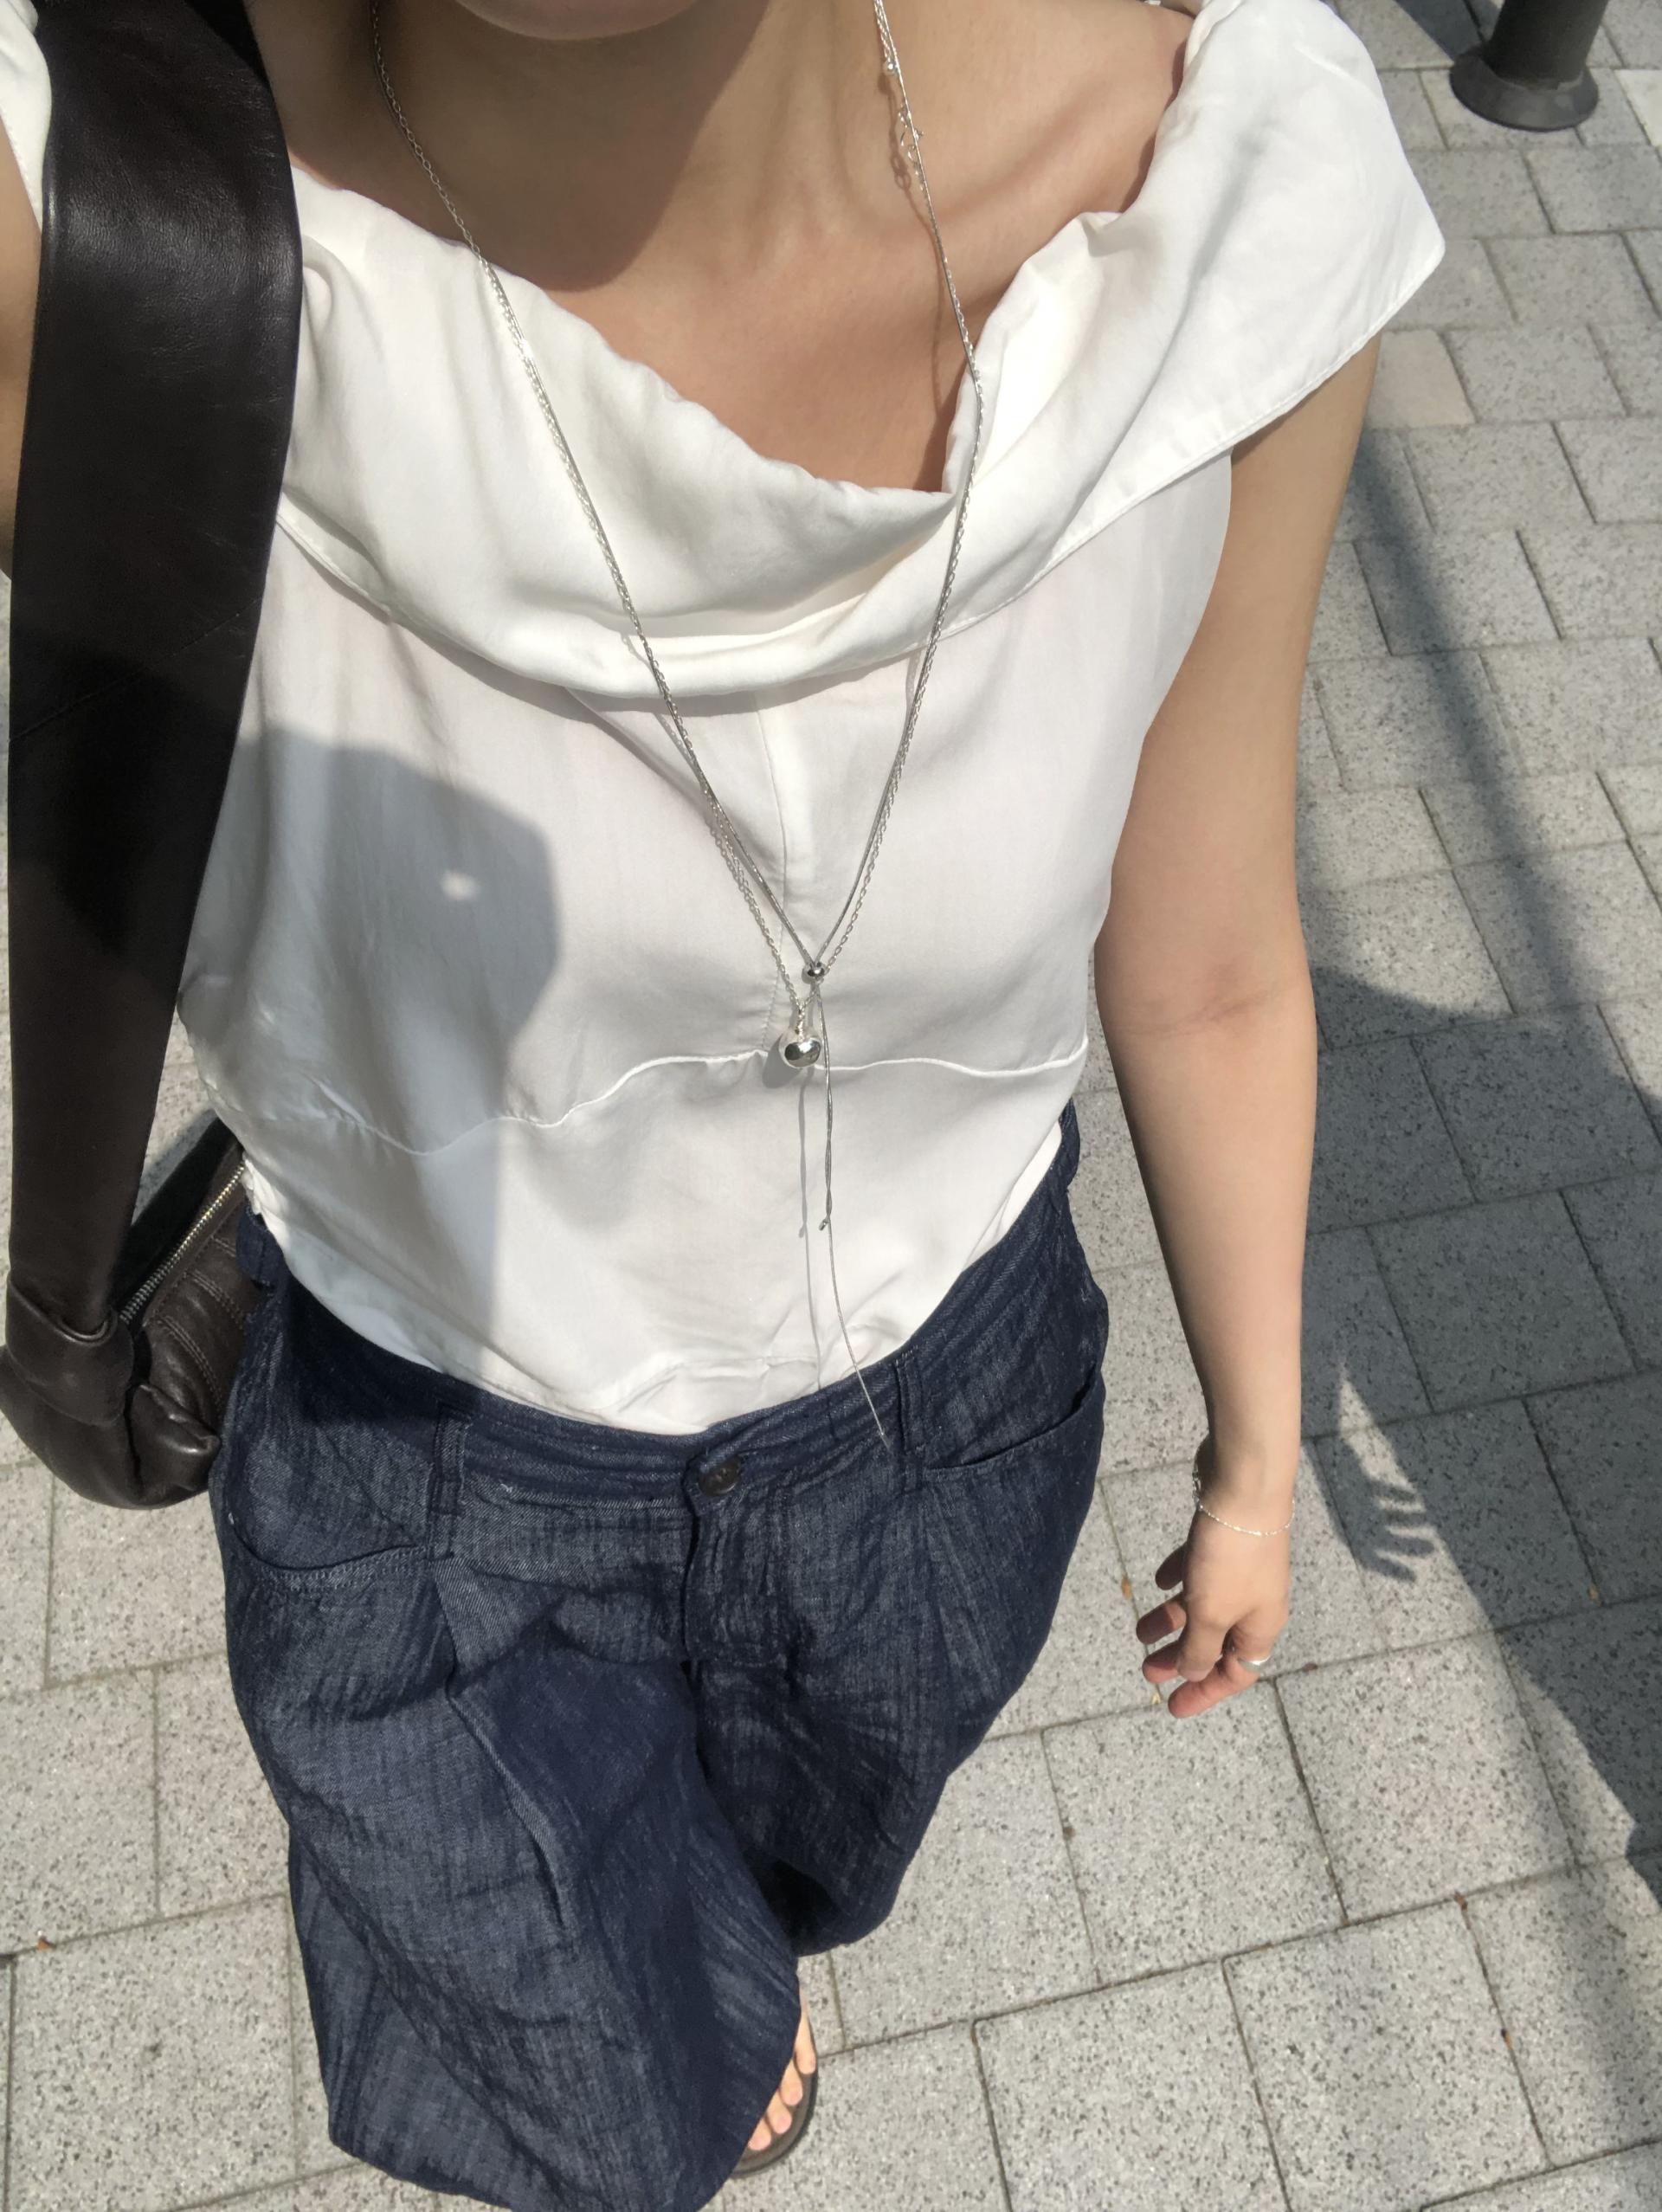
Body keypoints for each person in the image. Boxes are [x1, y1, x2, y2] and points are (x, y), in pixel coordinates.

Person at [0, 0, 1443, 2202]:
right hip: (435, 1485)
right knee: (598, 2115)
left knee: (780, 1900)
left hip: (951, 1431)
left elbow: (1212, 951)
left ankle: (715, 1965)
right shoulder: (96, 218)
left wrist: (1258, 1455)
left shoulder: (1222, 186)